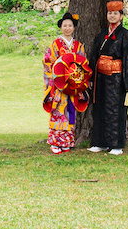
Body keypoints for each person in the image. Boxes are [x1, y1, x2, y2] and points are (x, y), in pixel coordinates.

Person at [87, 0, 128, 155]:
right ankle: (100, 142)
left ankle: (116, 145)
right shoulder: (102, 34)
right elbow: (94, 56)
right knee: (100, 109)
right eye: (110, 13)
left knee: (115, 111)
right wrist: (91, 77)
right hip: (101, 79)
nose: (112, 16)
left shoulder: (125, 35)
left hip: (117, 79)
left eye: (115, 13)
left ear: (121, 16)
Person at [42, 11, 90, 154]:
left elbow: (83, 64)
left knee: (70, 113)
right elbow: (48, 61)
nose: (67, 28)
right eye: (65, 25)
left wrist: (80, 80)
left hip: (73, 85)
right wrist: (55, 79)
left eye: (70, 25)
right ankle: (55, 142)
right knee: (58, 111)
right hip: (58, 85)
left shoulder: (78, 46)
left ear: (74, 28)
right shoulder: (55, 44)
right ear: (61, 27)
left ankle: (67, 142)